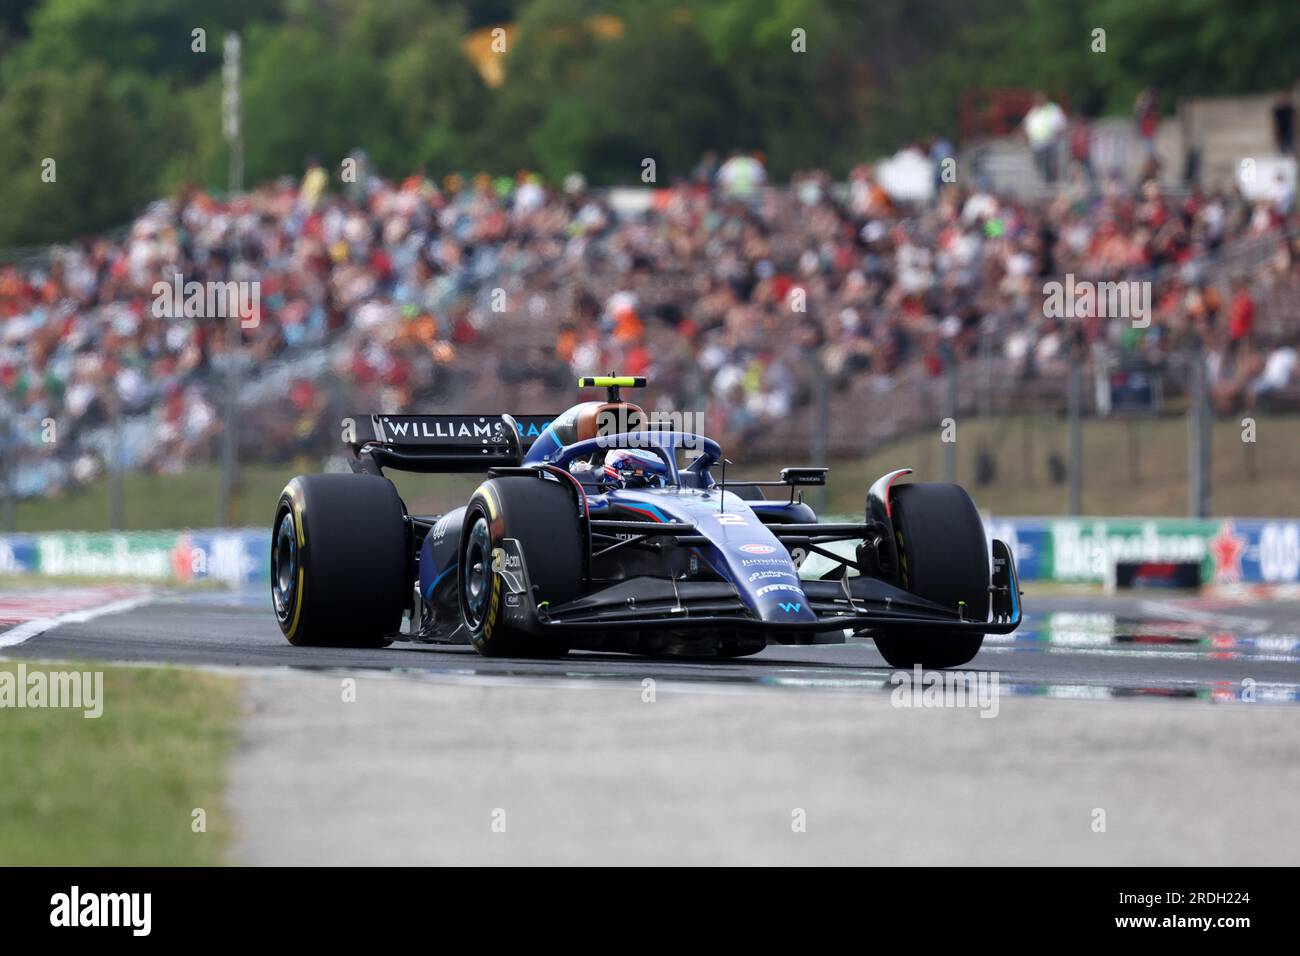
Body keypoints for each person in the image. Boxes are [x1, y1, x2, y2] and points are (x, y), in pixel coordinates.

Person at [1023, 93, 1067, 185]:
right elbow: (1027, 126)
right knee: (1039, 164)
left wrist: (1056, 138)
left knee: (1048, 165)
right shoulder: (1033, 112)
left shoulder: (1052, 109)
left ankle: (1049, 183)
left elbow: (1060, 125)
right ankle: (1045, 181)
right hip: (1036, 144)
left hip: (1049, 142)